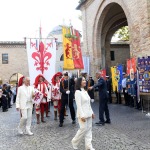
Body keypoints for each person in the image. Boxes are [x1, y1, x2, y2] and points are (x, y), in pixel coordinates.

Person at [71, 77, 95, 150]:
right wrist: (81, 115)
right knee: (83, 129)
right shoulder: (77, 92)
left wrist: (92, 112)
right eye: (83, 80)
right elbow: (78, 105)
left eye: (85, 80)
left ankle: (89, 146)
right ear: (79, 82)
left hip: (89, 113)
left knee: (89, 129)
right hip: (82, 114)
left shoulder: (85, 91)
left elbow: (88, 103)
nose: (85, 81)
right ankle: (74, 142)